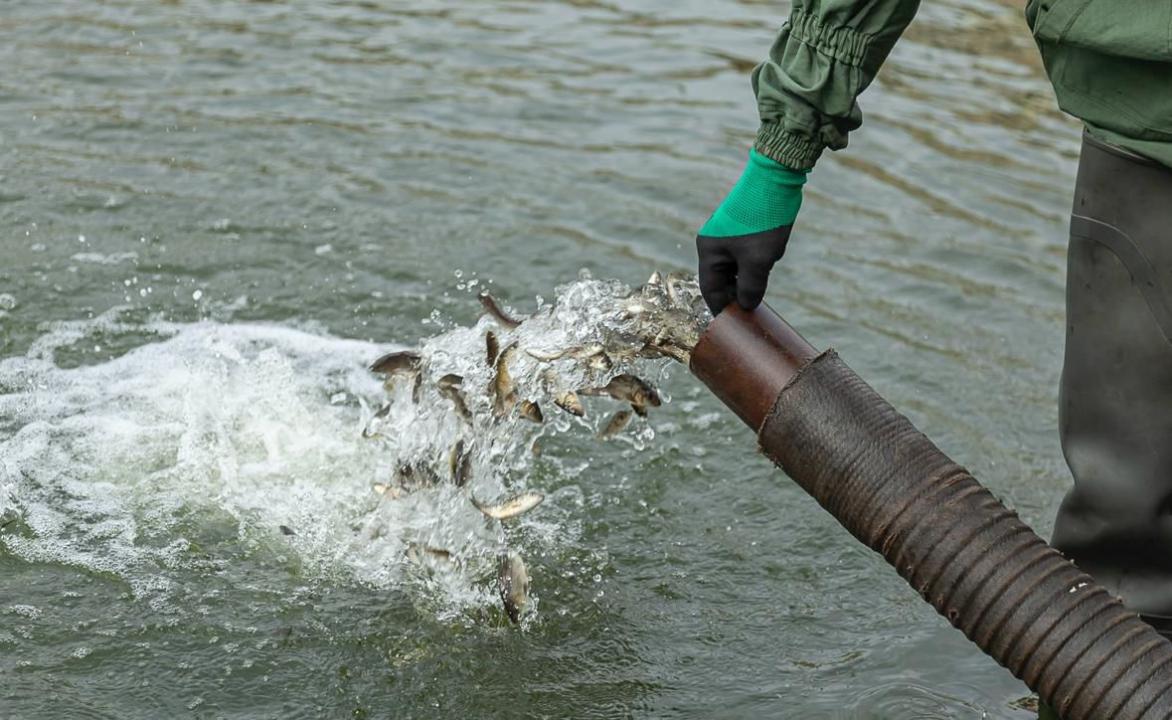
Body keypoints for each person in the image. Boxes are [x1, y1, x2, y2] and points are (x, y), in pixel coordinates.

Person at [695, 2, 1172, 717]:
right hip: (1147, 133)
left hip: (1143, 121)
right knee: (1124, 597)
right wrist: (780, 156)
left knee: (1128, 580)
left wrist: (781, 153)